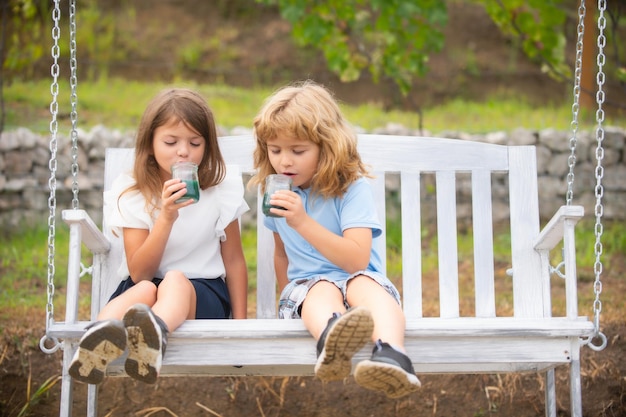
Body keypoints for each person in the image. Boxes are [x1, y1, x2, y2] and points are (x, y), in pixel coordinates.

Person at [250, 80, 420, 398]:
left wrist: (302, 221)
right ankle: (332, 340)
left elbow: (356, 259)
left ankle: (392, 355)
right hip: (311, 288)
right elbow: (281, 254)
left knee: (364, 286)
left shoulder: (350, 188)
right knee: (319, 290)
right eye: (275, 150)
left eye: (297, 151)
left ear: (326, 147)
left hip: (358, 277)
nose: (284, 161)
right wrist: (289, 296)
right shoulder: (274, 191)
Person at [69, 88, 249, 385]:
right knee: (144, 291)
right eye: (171, 141)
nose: (183, 151)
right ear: (150, 144)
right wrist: (165, 218)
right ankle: (95, 343)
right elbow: (141, 272)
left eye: (195, 143)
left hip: (202, 295)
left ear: (207, 146)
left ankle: (152, 339)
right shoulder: (135, 192)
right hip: (146, 287)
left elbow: (234, 261)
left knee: (175, 280)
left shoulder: (219, 189)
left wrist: (241, 329)